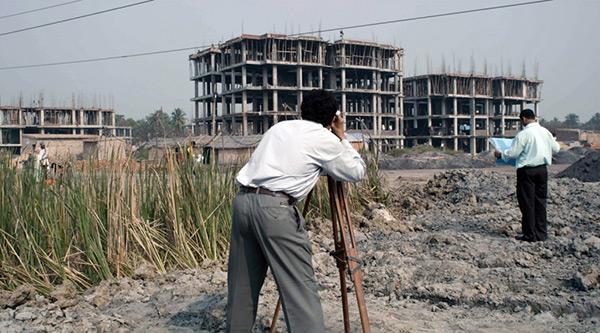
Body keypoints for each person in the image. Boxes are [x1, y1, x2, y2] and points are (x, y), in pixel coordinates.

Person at [226, 89, 366, 332]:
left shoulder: (280, 128)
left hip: (243, 203)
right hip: (274, 211)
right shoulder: (325, 139)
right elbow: (355, 171)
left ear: (303, 111)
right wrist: (341, 136)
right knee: (299, 289)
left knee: (242, 288)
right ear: (333, 118)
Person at [494, 109, 560, 242]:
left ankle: (530, 234)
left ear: (523, 119)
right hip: (542, 170)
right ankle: (541, 234)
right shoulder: (545, 132)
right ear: (534, 117)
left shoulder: (523, 134)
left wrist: (501, 154)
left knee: (527, 203)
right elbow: (556, 148)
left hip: (527, 171)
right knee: (540, 202)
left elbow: (513, 153)